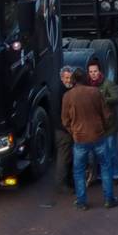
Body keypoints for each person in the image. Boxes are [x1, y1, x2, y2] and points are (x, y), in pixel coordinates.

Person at [61, 68, 117, 210]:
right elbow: (106, 114)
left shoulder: (68, 96)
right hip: (98, 135)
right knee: (105, 166)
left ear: (73, 80)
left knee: (78, 170)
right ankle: (109, 199)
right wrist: (103, 128)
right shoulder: (95, 92)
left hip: (80, 138)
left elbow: (65, 120)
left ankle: (81, 201)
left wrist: (73, 131)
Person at [87, 58, 118, 184]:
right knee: (98, 152)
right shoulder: (87, 86)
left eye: (95, 71)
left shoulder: (107, 84)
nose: (93, 74)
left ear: (100, 71)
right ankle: (102, 175)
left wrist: (104, 99)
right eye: (91, 72)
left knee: (111, 150)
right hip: (96, 126)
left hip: (109, 125)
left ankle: (117, 173)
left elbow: (117, 98)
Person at [54, 66, 76, 194]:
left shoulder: (69, 90)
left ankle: (68, 181)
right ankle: (61, 184)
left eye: (70, 78)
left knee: (69, 156)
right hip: (63, 131)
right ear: (62, 78)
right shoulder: (60, 93)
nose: (69, 80)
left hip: (67, 129)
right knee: (64, 157)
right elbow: (57, 114)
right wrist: (68, 129)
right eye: (66, 78)